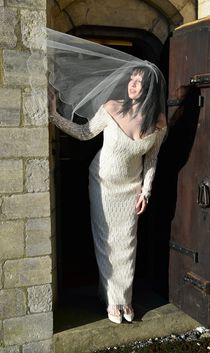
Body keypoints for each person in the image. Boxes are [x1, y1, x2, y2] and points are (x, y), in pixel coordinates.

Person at [48, 64, 167, 324]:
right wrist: (54, 115)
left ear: (151, 89)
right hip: (102, 182)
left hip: (131, 188)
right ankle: (115, 302)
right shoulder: (112, 107)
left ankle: (123, 298)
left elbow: (152, 159)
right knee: (107, 242)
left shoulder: (158, 120)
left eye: (139, 82)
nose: (133, 85)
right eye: (132, 80)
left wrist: (145, 192)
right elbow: (83, 133)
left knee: (127, 244)